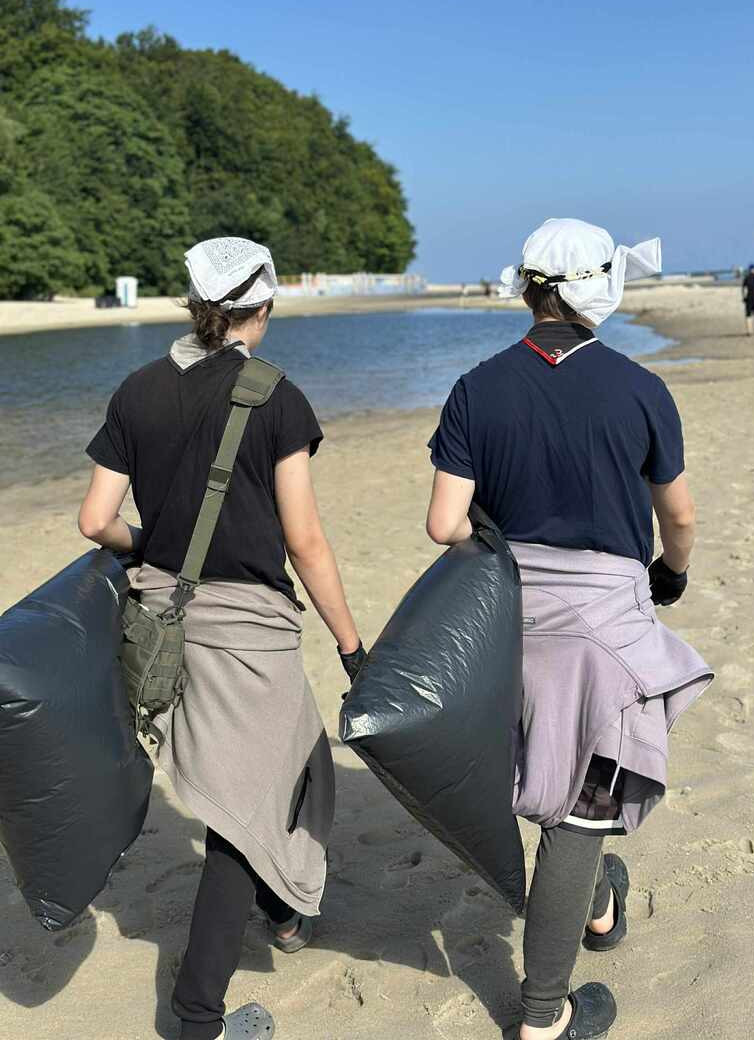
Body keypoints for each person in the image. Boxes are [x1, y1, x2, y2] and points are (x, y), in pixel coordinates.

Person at [426, 218, 712, 1040]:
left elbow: (445, 524)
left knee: (551, 784)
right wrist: (671, 573)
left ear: (528, 290)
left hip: (510, 618)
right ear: (600, 289)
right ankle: (543, 1016)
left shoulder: (477, 386)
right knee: (580, 816)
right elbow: (679, 518)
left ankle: (597, 908)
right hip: (603, 625)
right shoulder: (639, 387)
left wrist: (507, 538)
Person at [78, 237, 365, 1040]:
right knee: (252, 802)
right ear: (260, 309)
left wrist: (152, 545)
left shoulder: (137, 390)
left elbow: (95, 521)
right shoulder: (275, 396)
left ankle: (283, 915)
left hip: (162, 621)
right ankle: (199, 1014)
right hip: (248, 628)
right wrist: (350, 646)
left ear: (196, 305)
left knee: (269, 769)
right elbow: (305, 541)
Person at [742, 263, 754, 335]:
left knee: (748, 314)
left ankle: (749, 331)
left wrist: (743, 297)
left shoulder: (746, 277)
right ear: (753, 269)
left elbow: (743, 288)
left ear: (749, 270)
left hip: (748, 298)